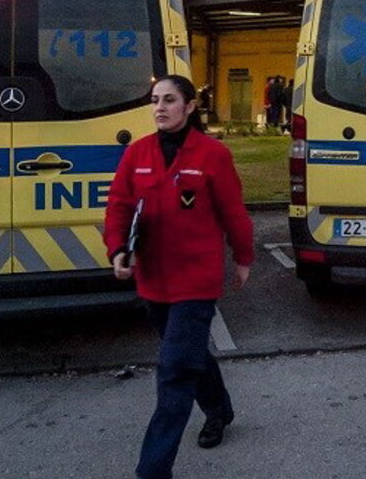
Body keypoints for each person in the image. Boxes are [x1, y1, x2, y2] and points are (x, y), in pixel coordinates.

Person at [104, 75, 254, 479]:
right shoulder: (137, 153)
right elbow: (118, 206)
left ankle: (153, 470)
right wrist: (117, 249)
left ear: (189, 106)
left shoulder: (212, 155)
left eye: (169, 100)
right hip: (153, 280)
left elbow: (233, 212)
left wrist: (243, 257)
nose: (159, 108)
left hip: (196, 281)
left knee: (173, 372)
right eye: (155, 100)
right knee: (188, 355)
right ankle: (219, 410)